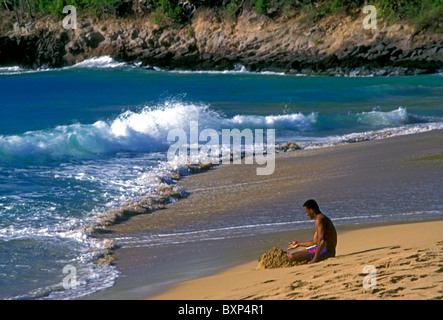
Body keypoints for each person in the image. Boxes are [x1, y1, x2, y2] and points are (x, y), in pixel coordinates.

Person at [287, 199, 337, 264]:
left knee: (291, 257)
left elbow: (321, 240)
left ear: (311, 210)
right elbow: (315, 241)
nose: (306, 214)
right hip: (320, 249)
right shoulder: (320, 218)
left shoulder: (320, 219)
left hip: (327, 252)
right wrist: (298, 243)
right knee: (293, 255)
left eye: (306, 212)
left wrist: (315, 259)